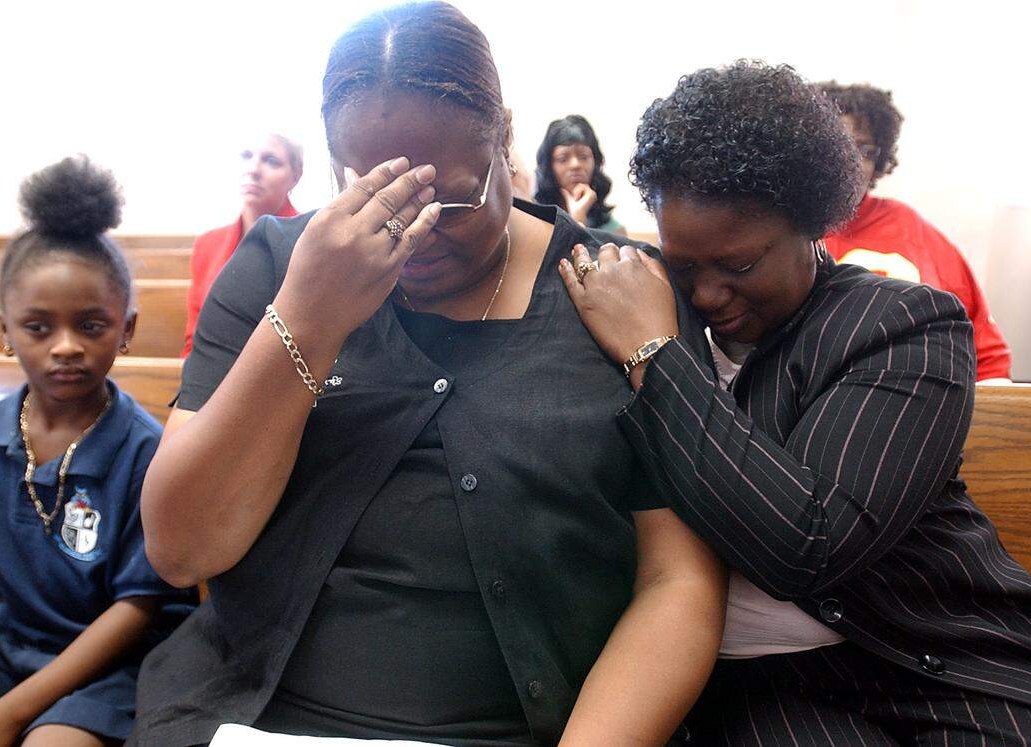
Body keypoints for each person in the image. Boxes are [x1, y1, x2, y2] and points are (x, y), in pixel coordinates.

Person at [132, 3, 725, 745]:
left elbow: (679, 580)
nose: (416, 233)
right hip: (253, 713)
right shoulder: (274, 272)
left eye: (452, 197)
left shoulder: (616, 294)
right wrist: (309, 320)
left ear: (505, 135)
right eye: (382, 193)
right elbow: (183, 548)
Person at [560, 61, 1031, 744]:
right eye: (686, 264)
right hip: (756, 688)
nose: (706, 295)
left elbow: (809, 544)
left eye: (741, 264)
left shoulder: (902, 325)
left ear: (813, 222)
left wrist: (655, 355)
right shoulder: (641, 302)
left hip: (937, 657)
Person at [0, 157, 192, 747]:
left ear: (127, 328)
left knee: (51, 743)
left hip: (113, 665)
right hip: (5, 647)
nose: (66, 347)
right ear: (5, 330)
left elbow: (136, 609)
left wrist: (5, 717)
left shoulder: (145, 453)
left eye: (91, 326)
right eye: (39, 328)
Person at [818, 82, 1012, 381]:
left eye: (865, 149)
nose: (852, 164)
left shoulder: (911, 230)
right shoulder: (780, 233)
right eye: (840, 146)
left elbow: (987, 360)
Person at [181, 133, 303, 357]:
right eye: (246, 156)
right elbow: (193, 341)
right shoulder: (207, 244)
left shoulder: (310, 239)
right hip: (209, 378)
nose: (253, 170)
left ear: (295, 176)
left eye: (271, 161)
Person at [533, 115, 626, 235]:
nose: (575, 165)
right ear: (549, 167)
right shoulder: (533, 222)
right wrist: (576, 221)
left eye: (583, 157)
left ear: (595, 162)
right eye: (563, 159)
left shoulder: (614, 231)